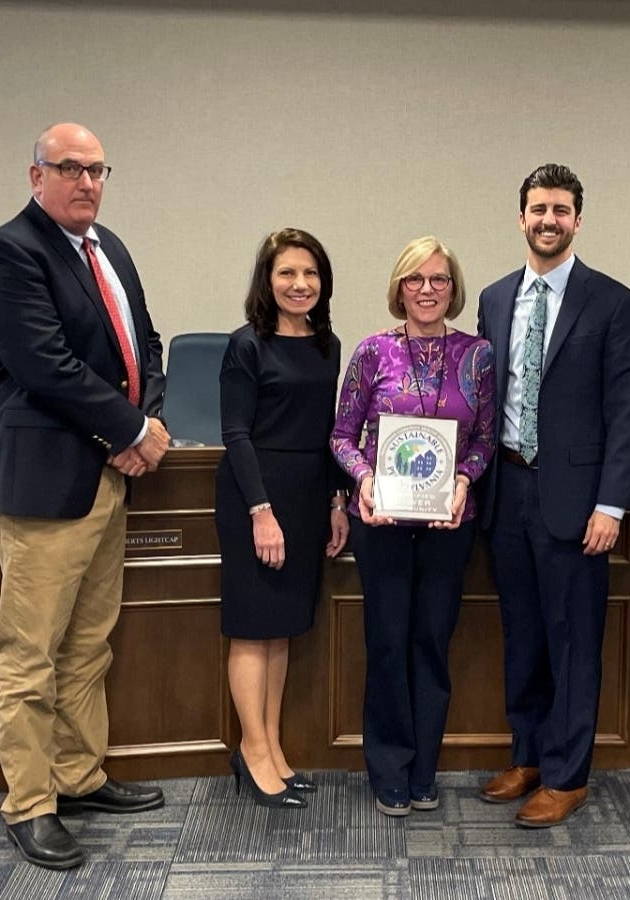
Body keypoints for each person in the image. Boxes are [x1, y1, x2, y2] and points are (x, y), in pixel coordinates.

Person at [0, 123, 169, 870]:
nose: (87, 182)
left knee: (89, 644)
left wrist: (144, 419)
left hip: (107, 475)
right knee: (31, 655)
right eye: (70, 168)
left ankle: (79, 776)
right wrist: (126, 431)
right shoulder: (10, 251)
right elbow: (43, 364)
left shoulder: (107, 247)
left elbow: (142, 342)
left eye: (96, 169)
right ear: (36, 175)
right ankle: (30, 802)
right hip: (43, 484)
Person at [476, 164, 630, 828]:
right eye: (537, 209)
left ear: (578, 219)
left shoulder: (611, 302)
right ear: (520, 217)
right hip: (507, 489)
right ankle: (531, 756)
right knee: (521, 634)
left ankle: (569, 774)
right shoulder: (493, 298)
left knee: (573, 638)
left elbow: (627, 411)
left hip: (577, 502)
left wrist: (612, 505)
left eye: (561, 210)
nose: (548, 219)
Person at [330, 236, 495, 818]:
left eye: (439, 280)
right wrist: (363, 478)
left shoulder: (478, 356)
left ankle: (425, 768)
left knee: (431, 643)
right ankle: (389, 770)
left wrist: (464, 480)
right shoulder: (372, 353)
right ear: (399, 288)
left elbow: (484, 439)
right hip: (382, 522)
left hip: (451, 523)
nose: (427, 290)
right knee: (387, 642)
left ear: (454, 289)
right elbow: (342, 435)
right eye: (415, 280)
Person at [216, 228, 349, 809]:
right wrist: (260, 512)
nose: (300, 284)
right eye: (287, 273)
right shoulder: (246, 345)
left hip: (308, 492)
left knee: (283, 628)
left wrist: (336, 502)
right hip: (257, 495)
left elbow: (330, 433)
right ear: (266, 281)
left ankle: (270, 745)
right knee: (252, 626)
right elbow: (235, 433)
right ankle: (251, 751)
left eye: (310, 274)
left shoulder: (327, 344)